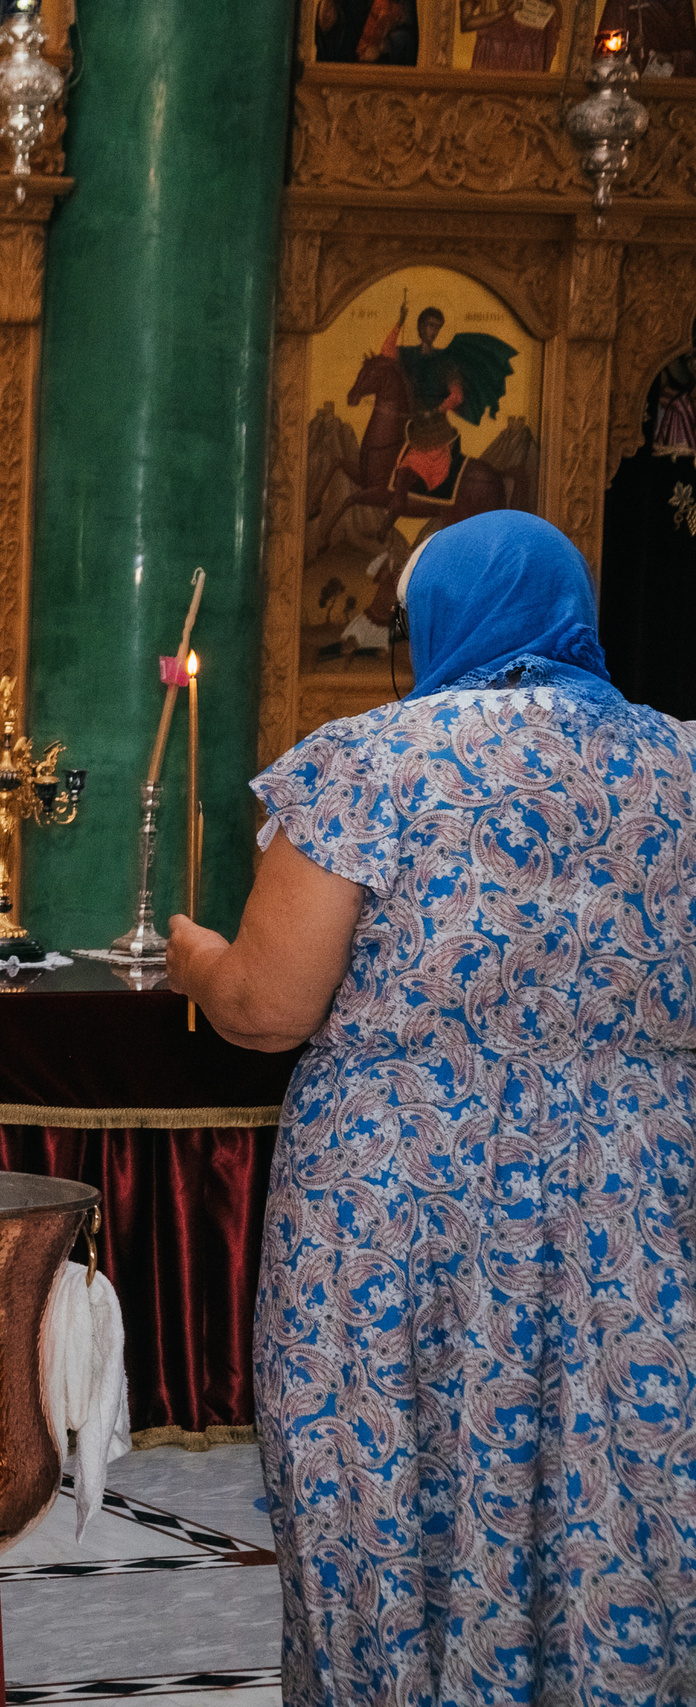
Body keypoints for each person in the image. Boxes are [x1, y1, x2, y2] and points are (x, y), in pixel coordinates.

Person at [167, 510, 696, 1702]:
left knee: (383, 1484)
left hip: (395, 1206)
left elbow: (265, 1007)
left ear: (436, 624)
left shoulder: (373, 764)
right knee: (609, 1482)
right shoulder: (682, 765)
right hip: (636, 1206)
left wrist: (194, 958)